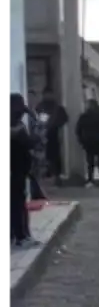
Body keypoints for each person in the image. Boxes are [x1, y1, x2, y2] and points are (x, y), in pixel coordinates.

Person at [8, 94, 41, 249]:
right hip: (14, 171)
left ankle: (15, 235)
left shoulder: (18, 125)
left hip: (18, 170)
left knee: (16, 203)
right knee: (17, 204)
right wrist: (33, 117)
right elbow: (27, 142)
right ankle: (21, 236)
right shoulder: (17, 128)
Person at [76, 99, 99, 187]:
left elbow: (78, 130)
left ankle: (91, 180)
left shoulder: (84, 117)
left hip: (90, 142)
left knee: (91, 163)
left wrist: (82, 140)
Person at [35, 90, 69, 182]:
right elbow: (36, 117)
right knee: (44, 154)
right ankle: (48, 172)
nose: (48, 96)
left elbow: (64, 118)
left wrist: (56, 124)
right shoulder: (41, 106)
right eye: (46, 94)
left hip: (53, 133)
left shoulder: (57, 108)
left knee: (54, 154)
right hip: (43, 132)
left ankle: (55, 173)